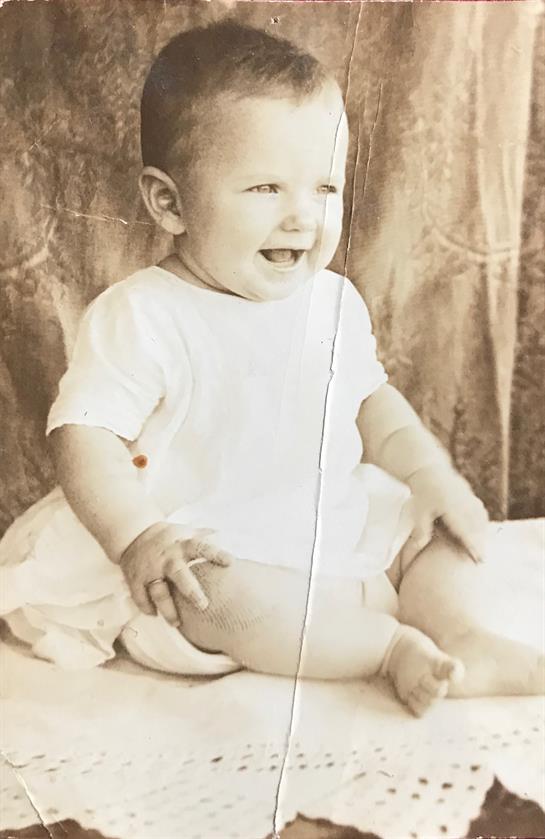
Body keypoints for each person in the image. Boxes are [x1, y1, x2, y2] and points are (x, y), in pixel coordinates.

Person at [1, 21, 542, 715]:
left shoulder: (331, 302)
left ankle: (463, 636)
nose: (302, 218)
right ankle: (384, 648)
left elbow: (371, 403)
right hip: (208, 537)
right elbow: (82, 435)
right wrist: (138, 536)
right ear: (169, 203)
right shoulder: (143, 314)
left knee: (431, 525)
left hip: (323, 518)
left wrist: (430, 476)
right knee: (205, 593)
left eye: (323, 188)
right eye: (264, 188)